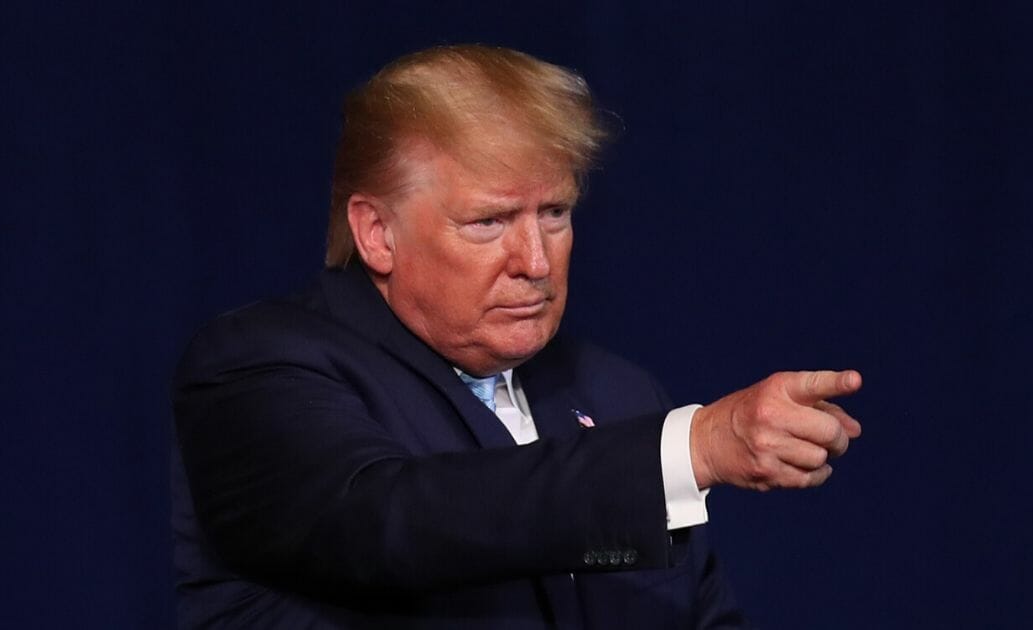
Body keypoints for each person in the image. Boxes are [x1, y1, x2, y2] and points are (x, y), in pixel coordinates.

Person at [171, 44, 863, 629]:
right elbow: (390, 520)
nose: (535, 261)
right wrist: (694, 448)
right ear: (377, 233)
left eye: (555, 213)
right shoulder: (258, 367)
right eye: (490, 222)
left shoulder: (618, 393)